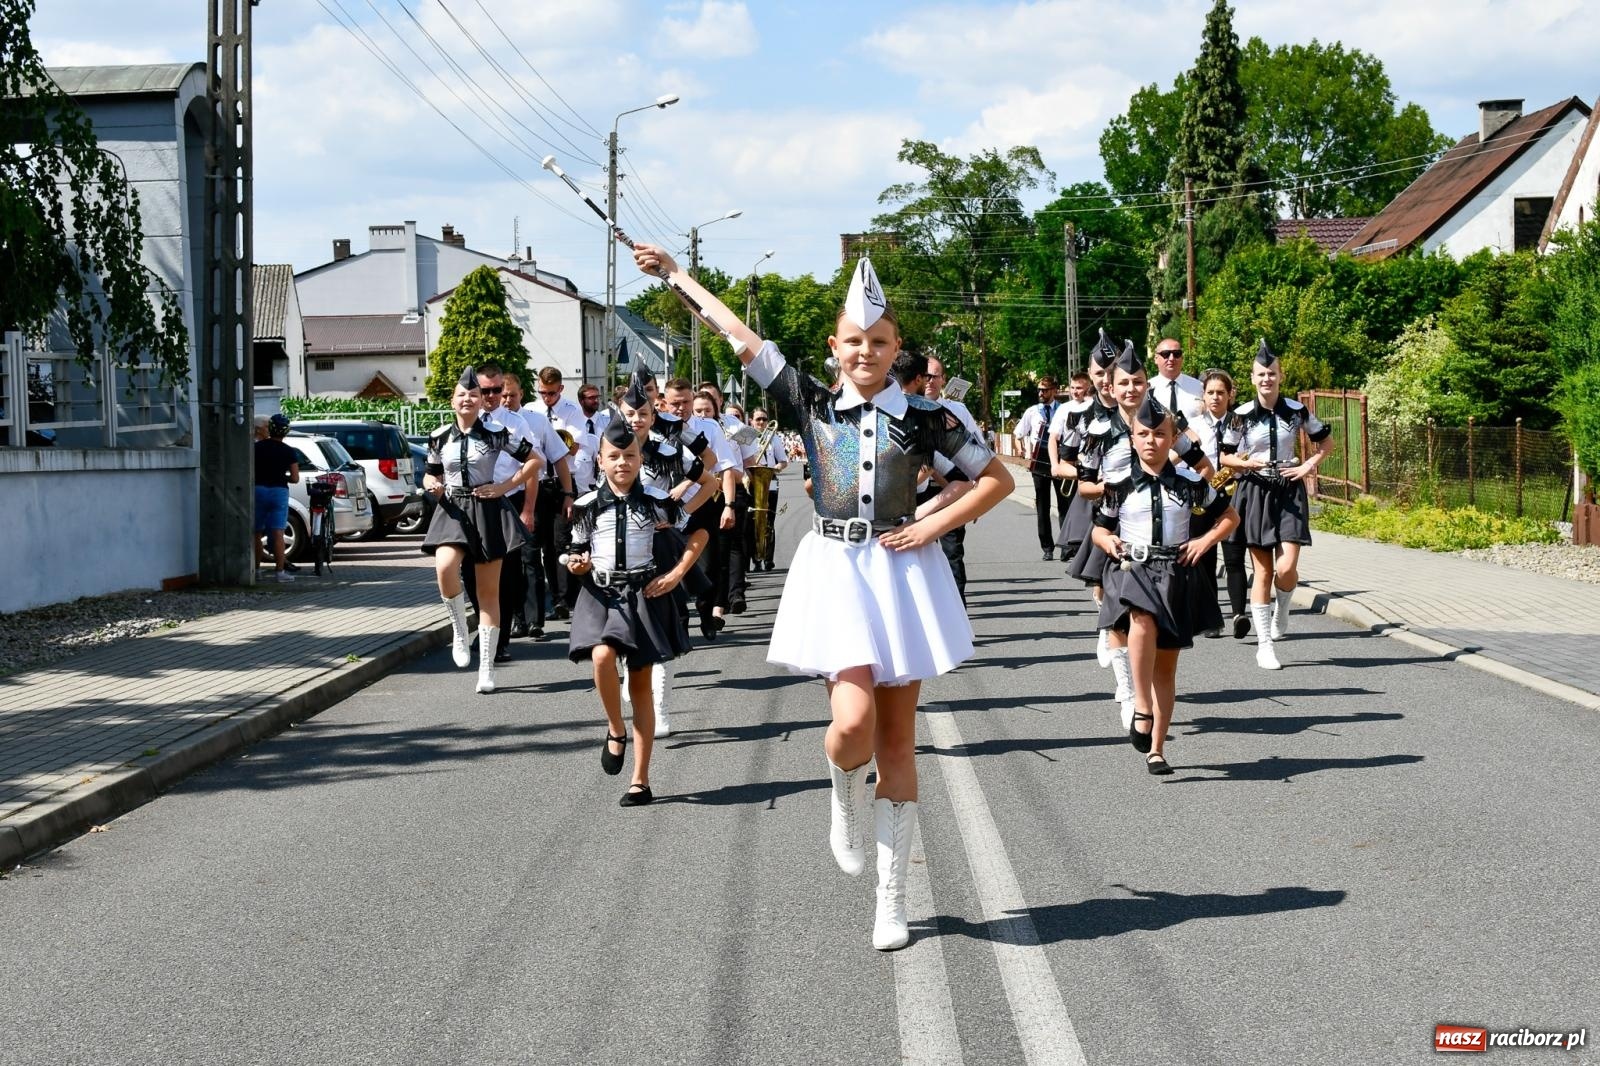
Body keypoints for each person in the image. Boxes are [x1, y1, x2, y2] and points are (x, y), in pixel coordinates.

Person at [633, 243, 1013, 951]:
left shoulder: (931, 417)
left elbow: (997, 480)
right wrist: (676, 276)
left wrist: (932, 521)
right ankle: (842, 788)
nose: (865, 352)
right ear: (835, 347)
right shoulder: (808, 400)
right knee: (850, 726)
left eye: (879, 342)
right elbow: (738, 336)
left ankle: (890, 900)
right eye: (854, 342)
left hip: (900, 571)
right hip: (839, 570)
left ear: (895, 347)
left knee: (898, 742)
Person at [1091, 393, 1238, 774]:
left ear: (1172, 439)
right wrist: (1109, 542)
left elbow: (1229, 518)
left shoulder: (1190, 483)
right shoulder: (1119, 484)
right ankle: (1141, 706)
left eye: (1159, 434)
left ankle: (1157, 748)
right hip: (1136, 567)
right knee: (1140, 619)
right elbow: (1099, 530)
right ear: (1133, 439)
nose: (1151, 441)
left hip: (1175, 573)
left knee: (1166, 670)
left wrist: (1205, 541)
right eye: (1144, 434)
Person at [566, 419, 699, 807]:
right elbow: (577, 549)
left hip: (643, 595)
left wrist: (675, 575)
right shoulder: (586, 506)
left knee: (640, 687)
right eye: (614, 456)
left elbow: (699, 535)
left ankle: (640, 780)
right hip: (600, 592)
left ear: (640, 458)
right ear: (600, 461)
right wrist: (577, 563)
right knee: (602, 656)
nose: (622, 463)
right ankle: (614, 728)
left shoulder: (659, 500)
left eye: (629, 455)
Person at [422, 367, 544, 694]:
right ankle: (460, 630)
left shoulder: (495, 433)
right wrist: (431, 483)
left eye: (474, 396)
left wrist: (505, 486)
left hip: (487, 509)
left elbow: (535, 460)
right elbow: (429, 473)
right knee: (444, 567)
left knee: (488, 594)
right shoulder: (439, 436)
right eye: (462, 395)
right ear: (453, 401)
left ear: (480, 402)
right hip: (452, 508)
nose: (468, 400)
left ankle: (486, 670)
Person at [614, 368, 717, 738]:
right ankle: (630, 671)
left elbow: (711, 477)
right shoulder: (610, 450)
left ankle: (660, 708)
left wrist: (681, 512)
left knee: (663, 621)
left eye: (643, 413)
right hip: (622, 546)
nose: (637, 420)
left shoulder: (668, 449)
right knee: (626, 618)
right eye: (630, 414)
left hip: (660, 541)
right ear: (620, 414)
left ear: (652, 414)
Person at [1220, 340, 1333, 670]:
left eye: (1272, 373)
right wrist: (1243, 465)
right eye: (1260, 374)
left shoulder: (1296, 411)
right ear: (1253, 378)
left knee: (1286, 568)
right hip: (1255, 491)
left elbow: (1326, 442)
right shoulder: (1240, 415)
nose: (1266, 379)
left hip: (1288, 490)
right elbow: (1224, 455)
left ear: (1280, 376)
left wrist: (1307, 466)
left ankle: (1283, 608)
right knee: (1264, 570)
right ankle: (1264, 645)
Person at [470, 363, 571, 658]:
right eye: (485, 391)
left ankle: (499, 638)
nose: (492, 397)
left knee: (511, 571)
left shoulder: (517, 424)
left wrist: (527, 509)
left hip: (507, 502)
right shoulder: (467, 421)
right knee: (471, 573)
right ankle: (485, 625)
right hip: (473, 503)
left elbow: (533, 468)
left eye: (496, 390)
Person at [1189, 368, 1248, 638]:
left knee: (1234, 556)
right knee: (1207, 557)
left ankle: (1238, 614)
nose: (1215, 398)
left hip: (1234, 490)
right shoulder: (1195, 426)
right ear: (1203, 395)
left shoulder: (1240, 423)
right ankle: (1213, 619)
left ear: (1230, 395)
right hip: (1204, 494)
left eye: (1220, 393)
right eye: (1210, 393)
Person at [1012, 376, 1062, 560]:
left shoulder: (1063, 410)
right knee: (1043, 505)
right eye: (1039, 390)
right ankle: (1047, 548)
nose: (1041, 393)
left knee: (1064, 505)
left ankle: (1066, 545)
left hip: (1060, 460)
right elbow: (1018, 434)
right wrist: (1021, 450)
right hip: (1039, 463)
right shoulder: (1032, 412)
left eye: (1045, 390)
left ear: (1054, 390)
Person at [253, 413, 300, 581]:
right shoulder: (289, 451)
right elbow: (295, 478)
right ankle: (280, 572)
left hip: (258, 489)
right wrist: (282, 476)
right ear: (286, 432)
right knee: (278, 532)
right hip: (278, 491)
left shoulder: (256, 448)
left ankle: (256, 570)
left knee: (256, 532)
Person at [748, 407, 788, 571]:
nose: (762, 422)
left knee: (769, 520)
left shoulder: (774, 438)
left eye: (764, 419)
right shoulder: (747, 438)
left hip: (770, 479)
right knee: (752, 521)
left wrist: (777, 468)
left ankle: (768, 558)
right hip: (751, 480)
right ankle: (755, 558)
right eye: (758, 419)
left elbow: (783, 461)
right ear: (751, 421)